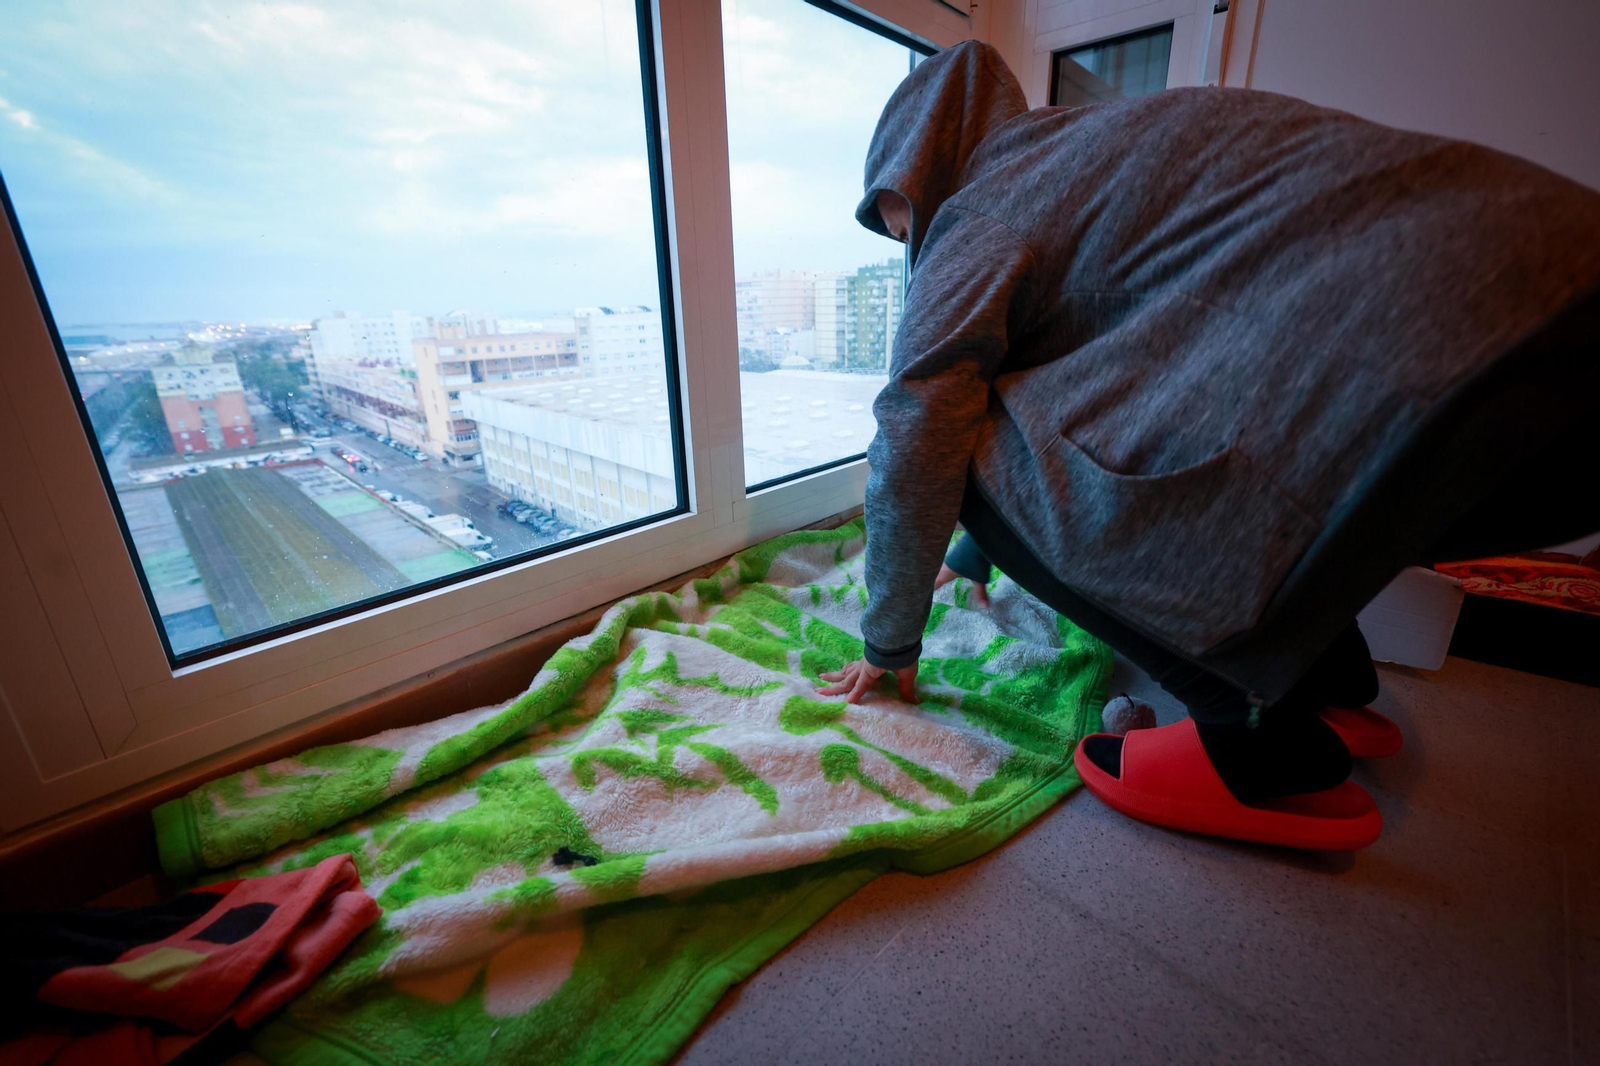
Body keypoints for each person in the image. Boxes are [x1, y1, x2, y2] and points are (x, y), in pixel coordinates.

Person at [815, 41, 1600, 849]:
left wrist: (890, 637)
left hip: (1456, 373)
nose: (907, 245)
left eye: (899, 223)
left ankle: (1255, 743)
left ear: (920, 169)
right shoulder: (1089, 154)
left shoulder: (979, 208)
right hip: (1551, 299)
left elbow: (917, 429)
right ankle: (1325, 687)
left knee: (956, 437)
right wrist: (973, 556)